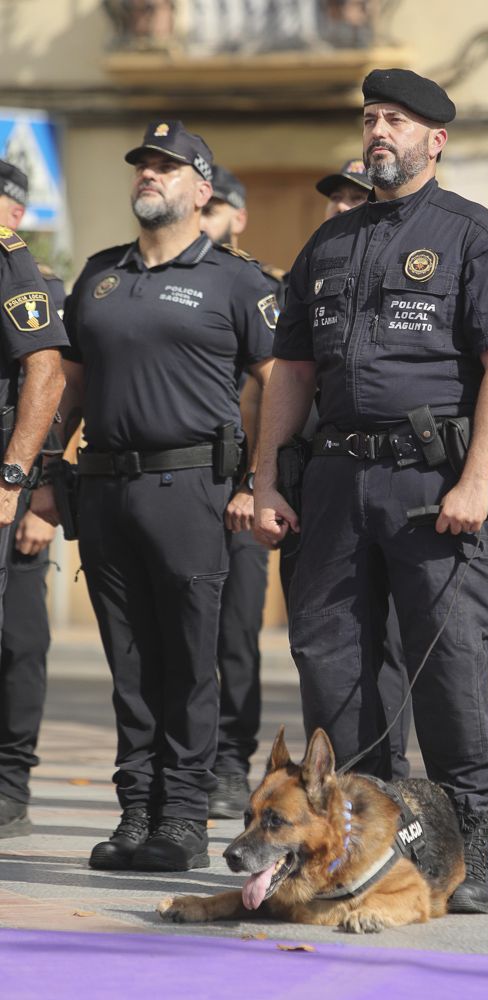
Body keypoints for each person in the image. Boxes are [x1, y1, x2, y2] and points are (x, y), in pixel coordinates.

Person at [254, 68, 488, 914]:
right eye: (372, 118)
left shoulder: (475, 235)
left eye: (397, 121)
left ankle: (469, 850)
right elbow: (293, 369)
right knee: (331, 661)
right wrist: (265, 474)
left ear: (435, 140)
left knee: (449, 664)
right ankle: (355, 836)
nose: (379, 131)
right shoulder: (329, 244)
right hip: (339, 482)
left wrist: (478, 478)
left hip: (433, 484)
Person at [32, 121, 276, 871]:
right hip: (104, 487)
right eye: (143, 165)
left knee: (188, 662)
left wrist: (256, 482)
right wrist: (45, 472)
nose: (149, 175)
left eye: (167, 168)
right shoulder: (101, 274)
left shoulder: (237, 280)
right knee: (130, 664)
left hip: (191, 489)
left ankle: (184, 820)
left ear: (202, 191)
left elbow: (278, 384)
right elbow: (72, 382)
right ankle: (136, 812)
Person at [316, 157, 411, 780]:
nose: (344, 206)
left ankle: (389, 778)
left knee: (392, 647)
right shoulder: (314, 266)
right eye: (337, 197)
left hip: (400, 477)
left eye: (357, 196)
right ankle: (344, 784)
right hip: (322, 481)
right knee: (326, 646)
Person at [199, 166, 285, 818]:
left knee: (235, 634)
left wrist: (256, 482)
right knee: (178, 635)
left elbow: (272, 389)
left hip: (241, 489)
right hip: (183, 485)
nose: (207, 220)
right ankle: (187, 758)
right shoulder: (172, 283)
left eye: (219, 210)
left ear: (239, 217)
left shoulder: (258, 288)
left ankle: (231, 761)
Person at [0, 159, 68, 837]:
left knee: (20, 641)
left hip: (12, 484)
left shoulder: (26, 275)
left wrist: (34, 487)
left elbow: (50, 384)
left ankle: (10, 779)